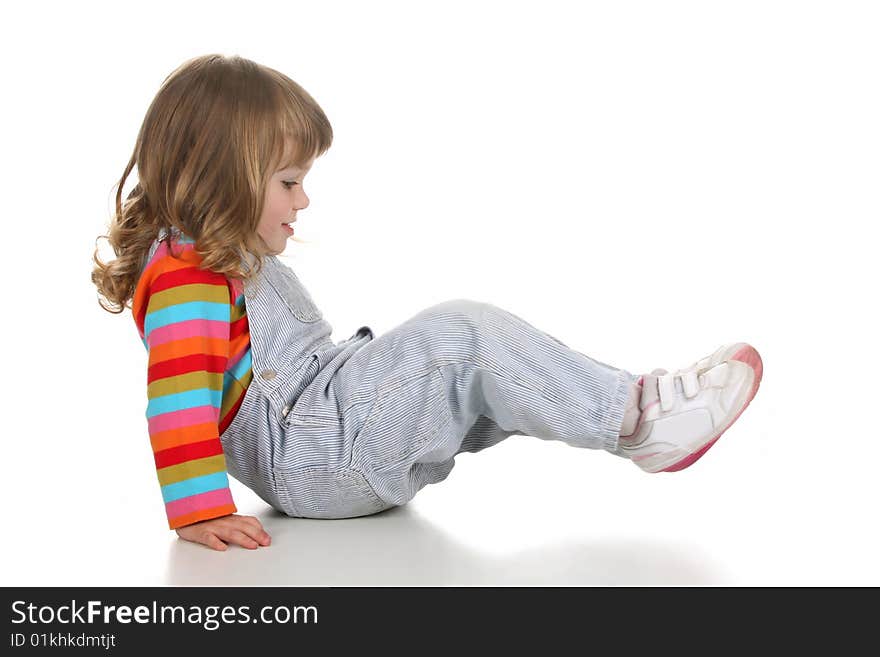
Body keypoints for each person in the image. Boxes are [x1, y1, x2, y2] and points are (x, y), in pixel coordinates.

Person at [91, 54, 763, 552]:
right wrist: (197, 508)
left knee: (479, 366)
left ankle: (632, 413)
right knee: (461, 337)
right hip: (317, 454)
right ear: (221, 177)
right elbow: (175, 397)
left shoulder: (212, 262)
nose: (303, 201)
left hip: (325, 434)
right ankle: (641, 420)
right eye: (289, 181)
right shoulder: (187, 281)